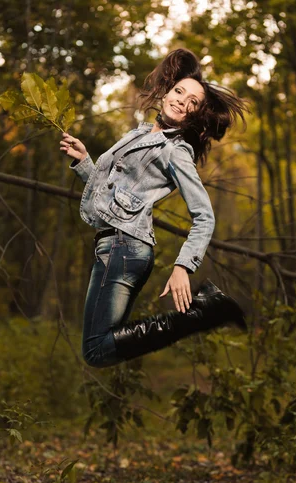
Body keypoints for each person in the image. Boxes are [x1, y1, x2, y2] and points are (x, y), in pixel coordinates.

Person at [60, 48, 248, 368]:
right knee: (98, 347)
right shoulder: (143, 134)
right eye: (179, 92)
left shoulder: (176, 151)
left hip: (125, 248)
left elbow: (204, 216)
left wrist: (183, 267)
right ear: (167, 90)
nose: (181, 101)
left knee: (96, 349)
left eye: (192, 103)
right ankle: (205, 311)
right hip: (117, 245)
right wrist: (84, 162)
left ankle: (205, 313)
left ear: (195, 115)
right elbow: (110, 198)